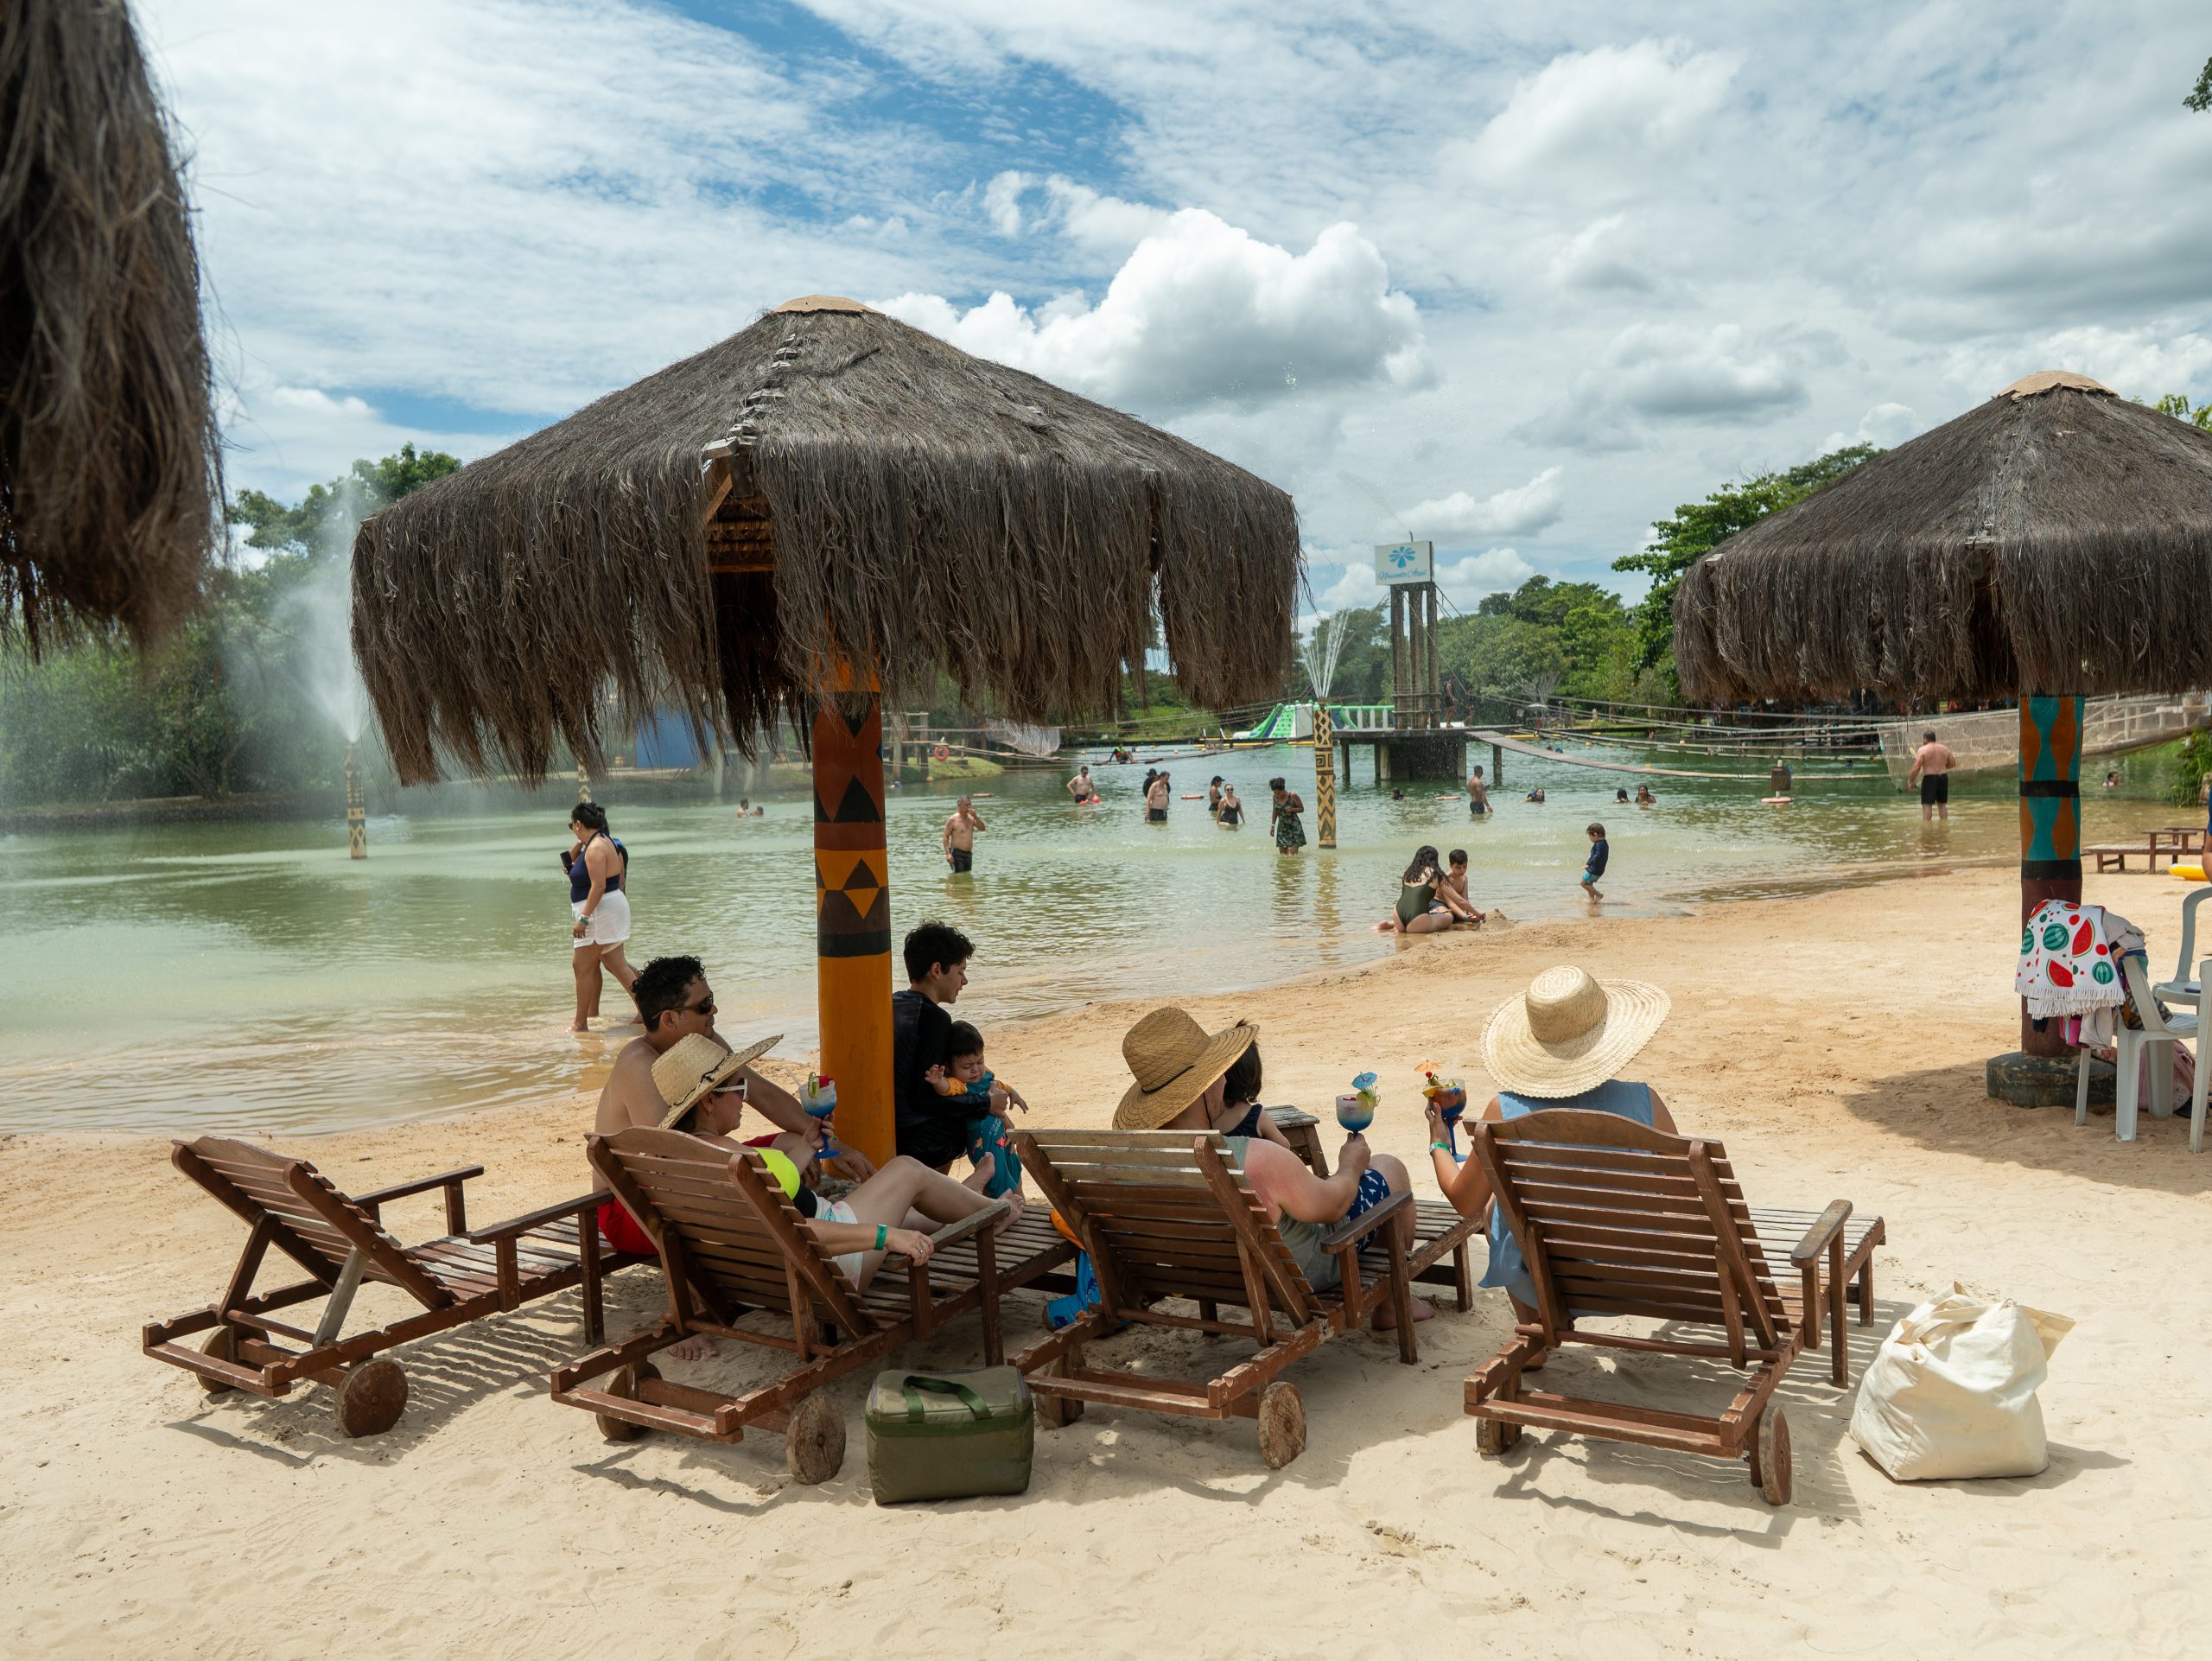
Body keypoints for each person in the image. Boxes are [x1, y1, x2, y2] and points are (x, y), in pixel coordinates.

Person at [1115, 1008, 1428, 1326]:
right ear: (1205, 1087)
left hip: (1204, 1278)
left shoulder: (1133, 1162)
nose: (1225, 1079)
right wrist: (1350, 1166)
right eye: (1217, 1072)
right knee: (1388, 1167)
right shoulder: (1254, 1158)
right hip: (1293, 1275)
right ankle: (1392, 1303)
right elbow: (1333, 1207)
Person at [1425, 965, 1674, 1365]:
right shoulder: (1647, 1102)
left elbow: (1463, 1202)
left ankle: (1537, 1330)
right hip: (1640, 1279)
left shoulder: (1504, 1111)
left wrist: (1439, 1140)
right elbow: (1678, 1199)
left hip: (1554, 1278)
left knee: (1496, 1207)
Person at [893, 921, 1029, 1171]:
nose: (964, 980)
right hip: (918, 1141)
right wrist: (986, 1105)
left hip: (890, 1128)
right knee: (968, 1119)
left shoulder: (895, 1003)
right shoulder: (935, 1019)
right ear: (937, 970)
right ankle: (982, 1181)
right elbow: (926, 1100)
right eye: (960, 971)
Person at [931, 1020, 1024, 1197]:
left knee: (1016, 1173)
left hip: (1003, 1139)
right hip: (984, 1146)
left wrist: (1012, 1093)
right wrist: (938, 1081)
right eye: (967, 1066)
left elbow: (997, 1084)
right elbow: (946, 1088)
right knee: (998, 1183)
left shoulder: (983, 1073)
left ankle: (1022, 1210)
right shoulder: (960, 1084)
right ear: (950, 1067)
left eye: (980, 1062)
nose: (976, 1070)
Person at [564, 802, 636, 1033]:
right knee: (617, 965)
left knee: (581, 966)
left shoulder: (595, 848)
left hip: (598, 913)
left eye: (572, 825)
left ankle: (580, 1024)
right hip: (606, 909)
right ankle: (648, 1011)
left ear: (578, 824)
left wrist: (583, 919)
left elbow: (598, 887)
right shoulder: (602, 841)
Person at [1907, 729, 1958, 823]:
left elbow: (1916, 767)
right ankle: (1944, 826)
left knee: (1927, 805)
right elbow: (1953, 763)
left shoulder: (1922, 750)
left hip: (1930, 778)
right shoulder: (1944, 749)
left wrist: (1910, 781)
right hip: (1943, 777)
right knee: (1942, 805)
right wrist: (1942, 765)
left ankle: (1927, 830)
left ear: (1926, 739)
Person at [943, 795, 986, 874]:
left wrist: (975, 817)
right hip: (956, 853)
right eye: (966, 805)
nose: (969, 807)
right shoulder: (952, 820)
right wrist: (948, 854)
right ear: (959, 804)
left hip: (968, 853)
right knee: (958, 875)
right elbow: (945, 837)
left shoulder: (971, 818)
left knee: (967, 875)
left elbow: (983, 829)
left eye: (970, 804)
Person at [1268, 776, 1306, 855]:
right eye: (1275, 793)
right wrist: (1272, 826)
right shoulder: (1275, 797)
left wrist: (1292, 809)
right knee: (1283, 855)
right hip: (1282, 829)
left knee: (1291, 854)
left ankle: (1295, 866)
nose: (1277, 795)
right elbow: (1275, 811)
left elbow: (1302, 809)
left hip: (1294, 828)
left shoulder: (1292, 796)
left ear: (1283, 789)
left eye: (1279, 793)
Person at [1580, 821, 1608, 901]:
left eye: (1589, 836)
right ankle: (1592, 900)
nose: (1589, 838)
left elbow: (1597, 855)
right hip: (1600, 870)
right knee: (1589, 884)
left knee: (1583, 883)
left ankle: (1599, 895)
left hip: (1594, 870)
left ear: (1595, 835)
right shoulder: (1604, 843)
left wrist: (1588, 864)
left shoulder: (1599, 844)